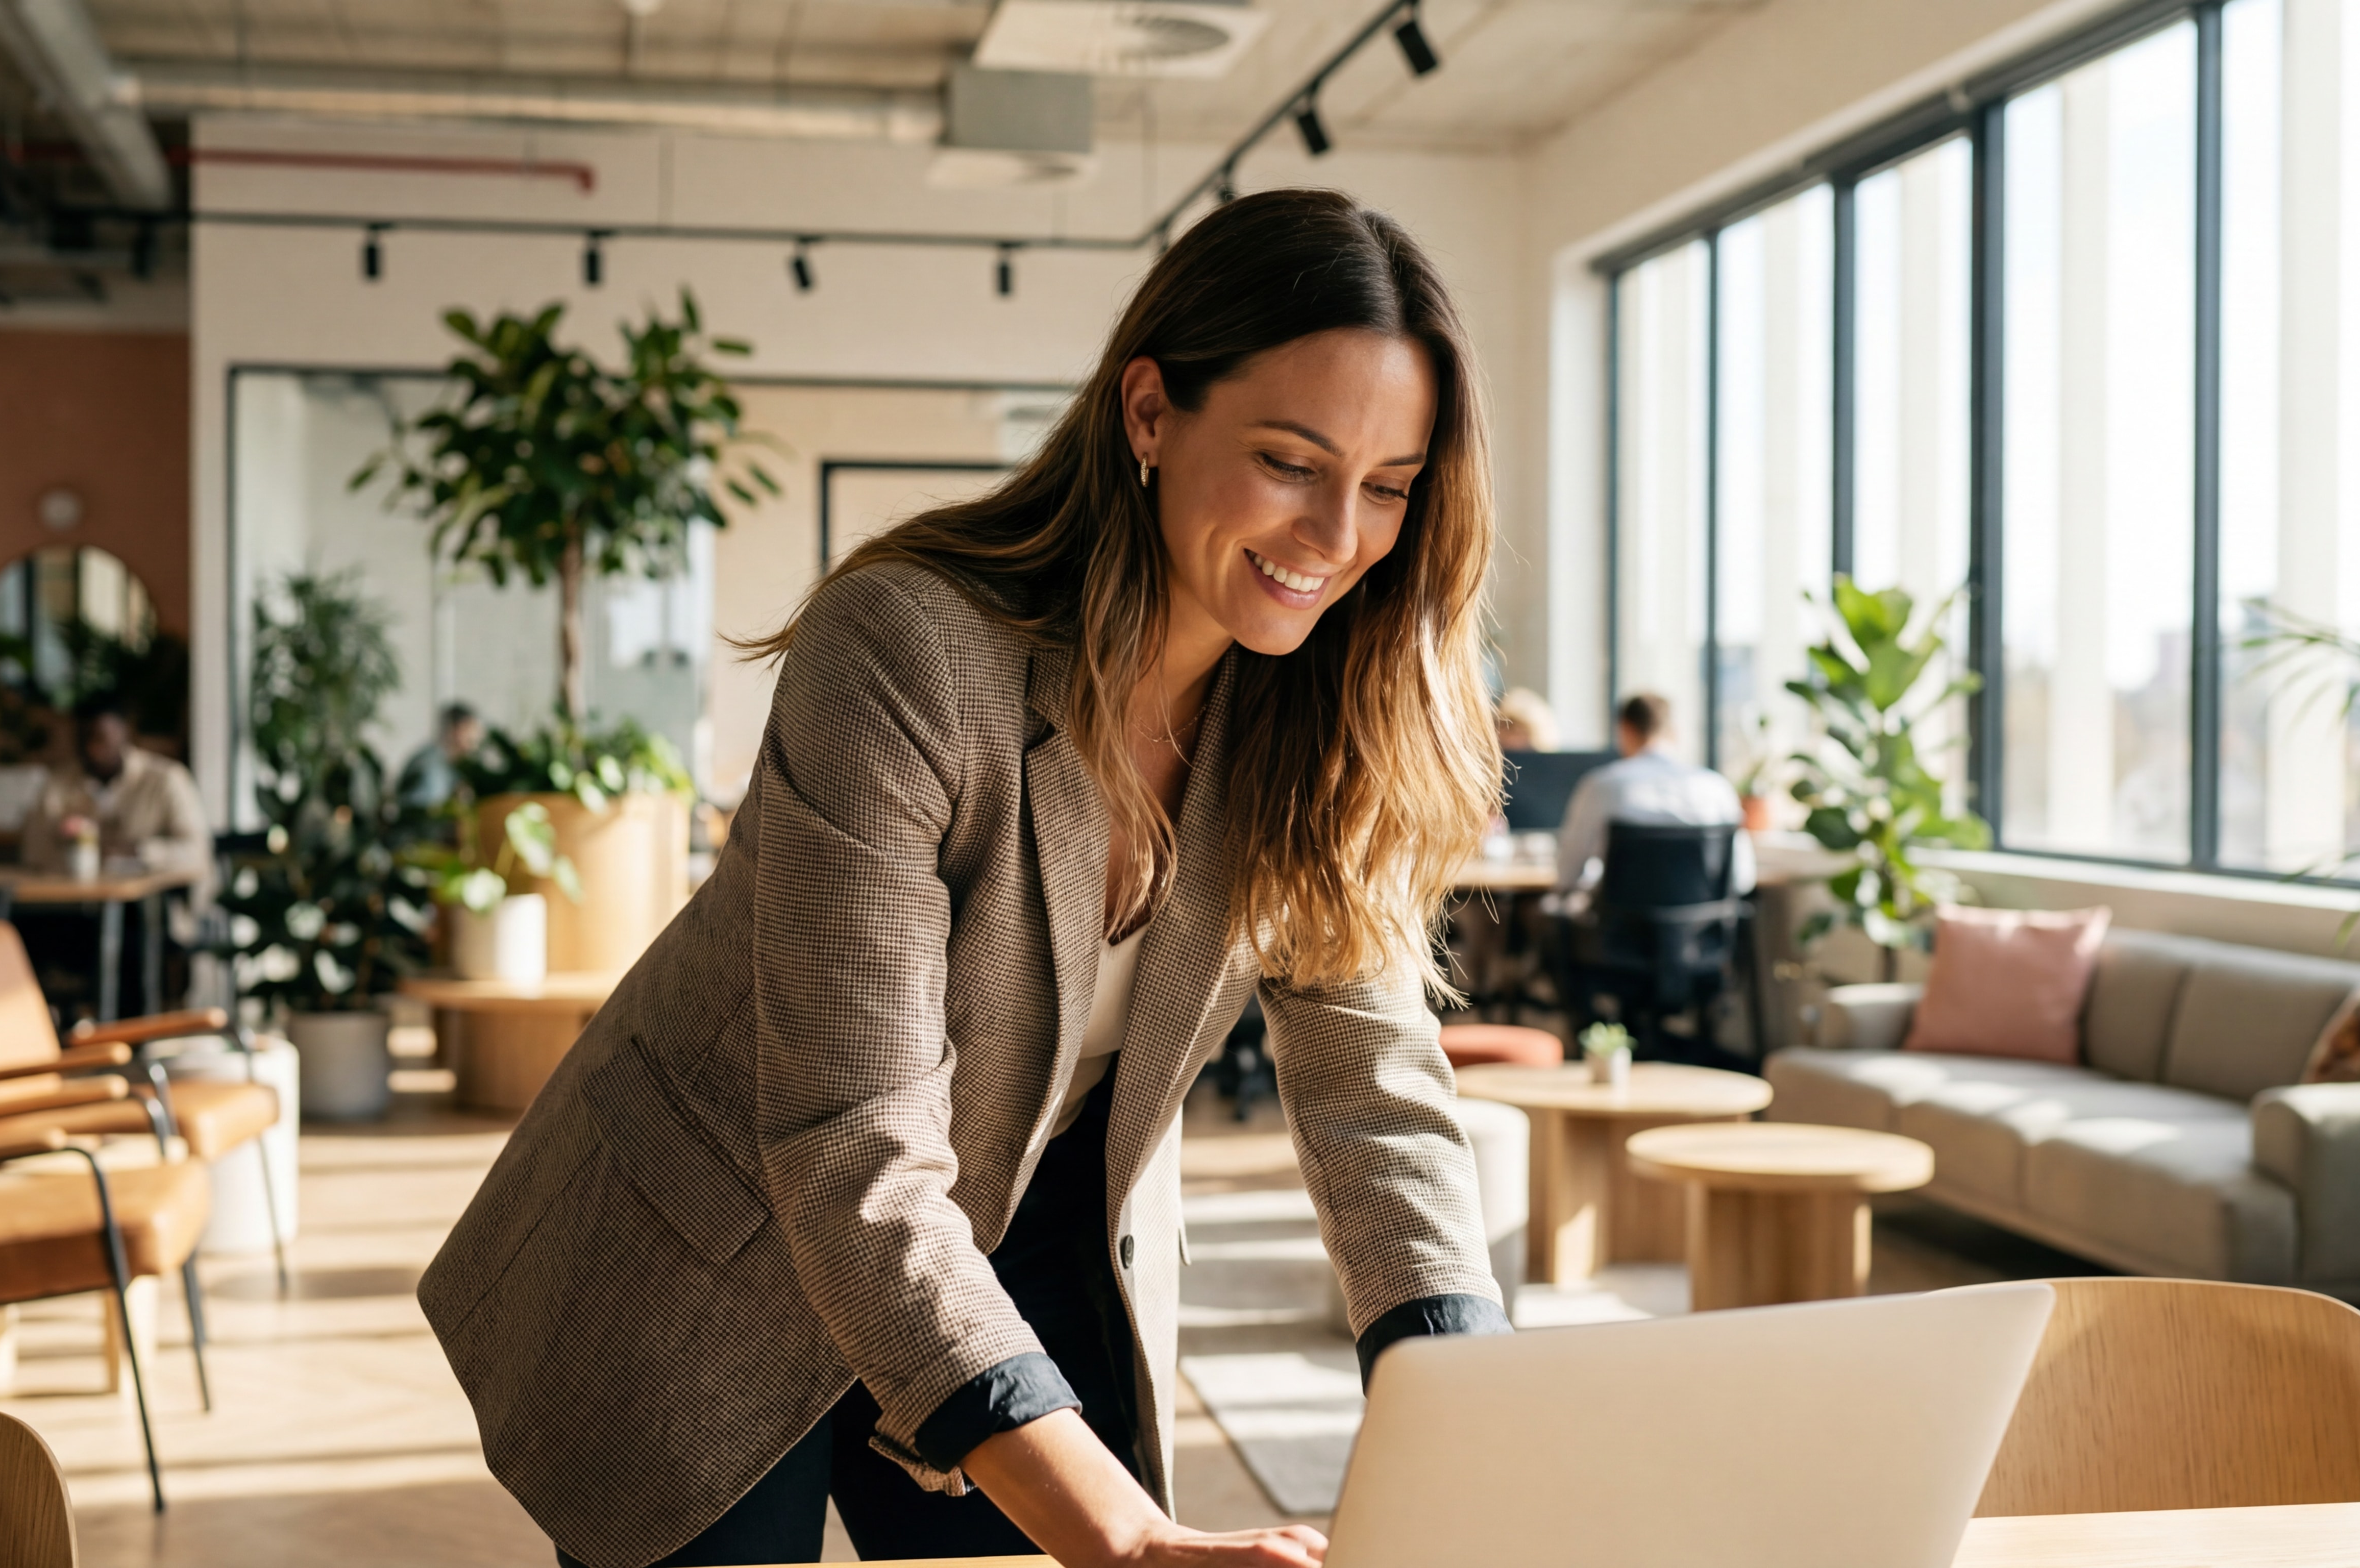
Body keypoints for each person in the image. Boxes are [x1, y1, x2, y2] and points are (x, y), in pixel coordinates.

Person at [419, 190, 1508, 1568]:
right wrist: (1122, 1537)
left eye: (1391, 487)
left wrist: (1467, 1407)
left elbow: (1378, 1097)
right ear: (1152, 413)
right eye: (1292, 461)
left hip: (1021, 1223)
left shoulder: (1311, 720)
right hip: (726, 1240)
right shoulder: (911, 653)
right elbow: (848, 1142)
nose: (1338, 536)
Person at [1552, 692, 1753, 899]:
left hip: (1622, 926)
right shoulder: (1716, 787)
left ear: (1625, 731)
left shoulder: (1603, 785)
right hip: (1701, 927)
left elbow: (1568, 874)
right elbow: (1742, 878)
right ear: (1674, 731)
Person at [22, 698, 211, 889]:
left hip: (149, 907)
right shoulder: (58, 782)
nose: (92, 749)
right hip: (73, 903)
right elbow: (35, 851)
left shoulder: (165, 779)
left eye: (101, 738)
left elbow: (197, 852)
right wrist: (82, 855)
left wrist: (141, 852)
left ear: (124, 732)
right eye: (83, 739)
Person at [399, 700, 485, 806]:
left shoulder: (447, 766)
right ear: (459, 729)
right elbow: (427, 812)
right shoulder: (432, 766)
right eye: (472, 729)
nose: (478, 737)